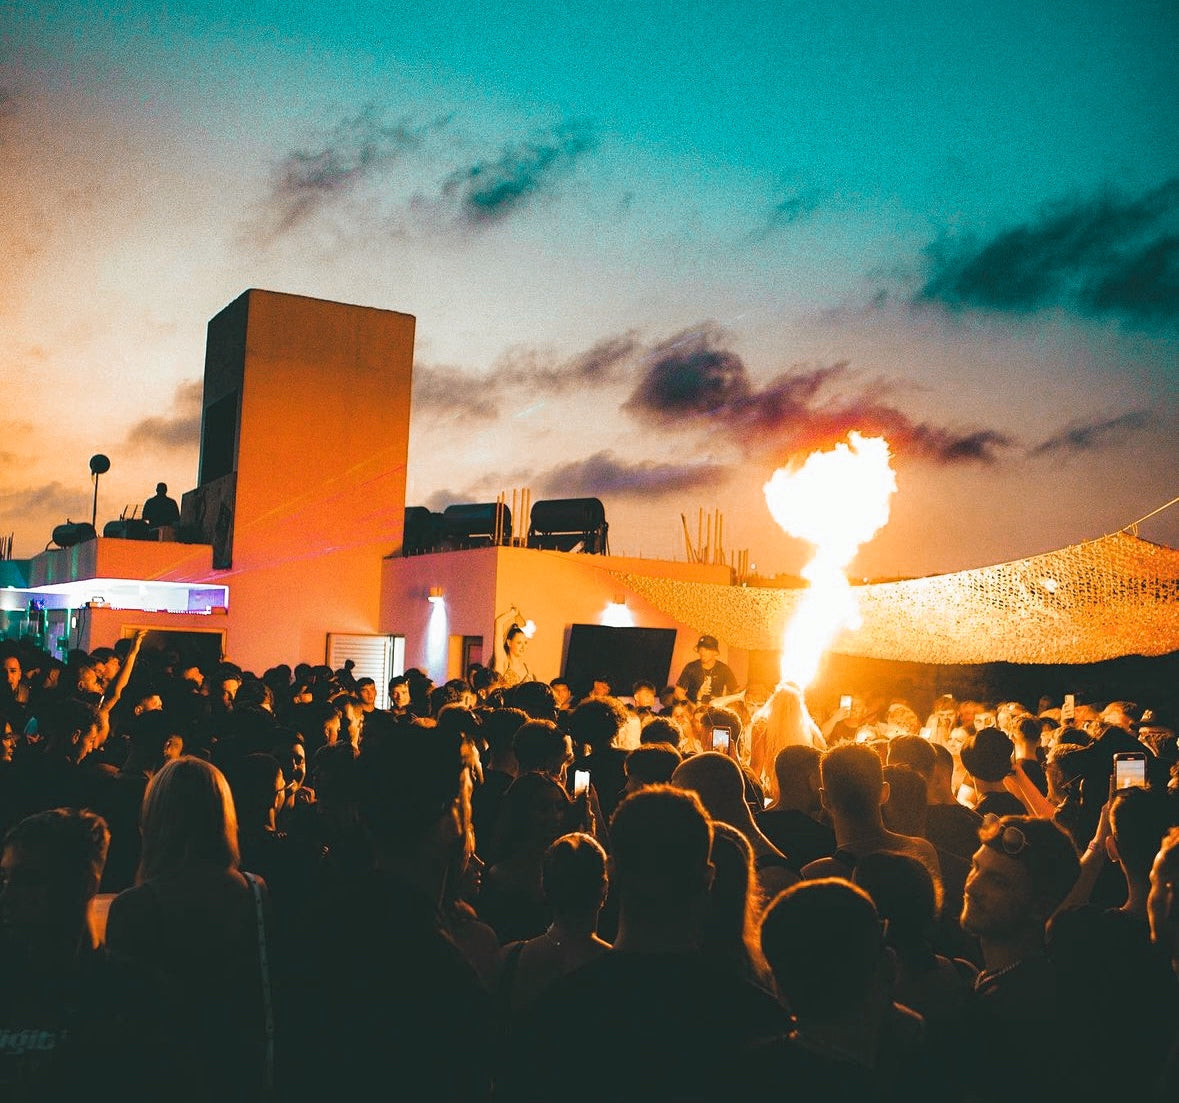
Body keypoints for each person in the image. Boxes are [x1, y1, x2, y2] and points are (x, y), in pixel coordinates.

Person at [105, 757, 274, 1102]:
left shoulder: (135, 905)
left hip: (164, 1073)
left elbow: (125, 1009)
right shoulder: (255, 891)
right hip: (239, 1065)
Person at [674, 634, 738, 705]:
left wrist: (723, 702)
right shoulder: (691, 667)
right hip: (693, 711)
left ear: (715, 652)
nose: (702, 653)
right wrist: (691, 707)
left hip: (714, 711)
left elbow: (735, 692)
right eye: (700, 649)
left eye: (706, 650)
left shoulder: (723, 669)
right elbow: (678, 692)